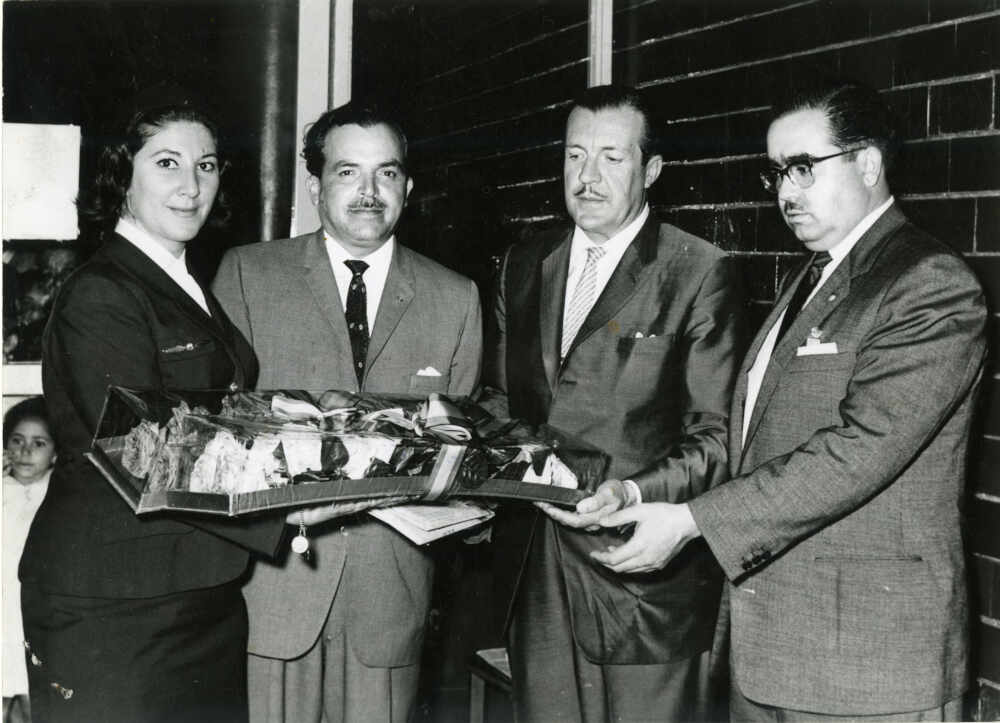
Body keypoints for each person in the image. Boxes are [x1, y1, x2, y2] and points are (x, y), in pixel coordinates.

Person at [590, 78, 987, 720]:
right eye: (776, 173)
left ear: (868, 163)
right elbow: (755, 438)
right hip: (774, 648)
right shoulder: (815, 275)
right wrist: (641, 493)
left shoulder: (928, 283)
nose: (786, 192)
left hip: (868, 667)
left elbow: (859, 450)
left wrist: (692, 521)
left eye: (804, 167)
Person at [18, 88, 291, 723]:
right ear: (122, 176)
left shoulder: (180, 280)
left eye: (206, 165)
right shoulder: (102, 293)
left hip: (196, 591)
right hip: (116, 605)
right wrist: (290, 511)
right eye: (167, 163)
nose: (192, 186)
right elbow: (146, 453)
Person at [212, 102, 483, 723]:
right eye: (346, 172)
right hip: (272, 592)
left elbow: (459, 453)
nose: (368, 192)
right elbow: (222, 438)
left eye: (386, 173)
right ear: (315, 186)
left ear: (407, 188)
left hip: (388, 597)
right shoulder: (249, 274)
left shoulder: (455, 298)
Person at [483, 84, 746, 722]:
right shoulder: (524, 263)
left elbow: (718, 436)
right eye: (575, 156)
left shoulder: (698, 270)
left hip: (640, 576)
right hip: (535, 573)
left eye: (611, 157)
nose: (587, 177)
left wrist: (631, 493)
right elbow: (498, 401)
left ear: (651, 170)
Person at [3, 397, 57, 723]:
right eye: (17, 440)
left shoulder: (57, 495)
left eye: (39, 443)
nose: (25, 451)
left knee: (32, 696)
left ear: (55, 453)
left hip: (34, 612)